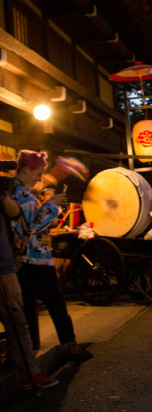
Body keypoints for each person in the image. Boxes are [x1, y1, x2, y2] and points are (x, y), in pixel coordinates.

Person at [10, 150, 92, 360]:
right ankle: (70, 346)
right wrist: (52, 204)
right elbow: (34, 225)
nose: (39, 178)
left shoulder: (15, 190)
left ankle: (26, 354)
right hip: (35, 258)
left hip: (21, 260)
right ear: (27, 169)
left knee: (27, 309)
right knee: (55, 303)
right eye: (38, 173)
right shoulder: (23, 193)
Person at [0, 184, 59, 389]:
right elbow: (29, 222)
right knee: (17, 321)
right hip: (4, 269)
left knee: (17, 321)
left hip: (6, 267)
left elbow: (14, 213)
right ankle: (29, 375)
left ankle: (29, 374)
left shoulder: (8, 196)